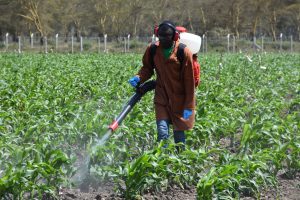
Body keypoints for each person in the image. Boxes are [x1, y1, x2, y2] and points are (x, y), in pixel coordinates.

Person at [128, 20, 195, 151]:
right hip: (161, 97)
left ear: (174, 36)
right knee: (163, 132)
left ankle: (181, 161)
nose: (163, 39)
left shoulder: (183, 52)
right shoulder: (153, 49)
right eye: (161, 36)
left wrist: (189, 108)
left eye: (167, 36)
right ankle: (161, 162)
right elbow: (147, 68)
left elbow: (189, 83)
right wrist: (138, 78)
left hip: (180, 100)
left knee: (179, 135)